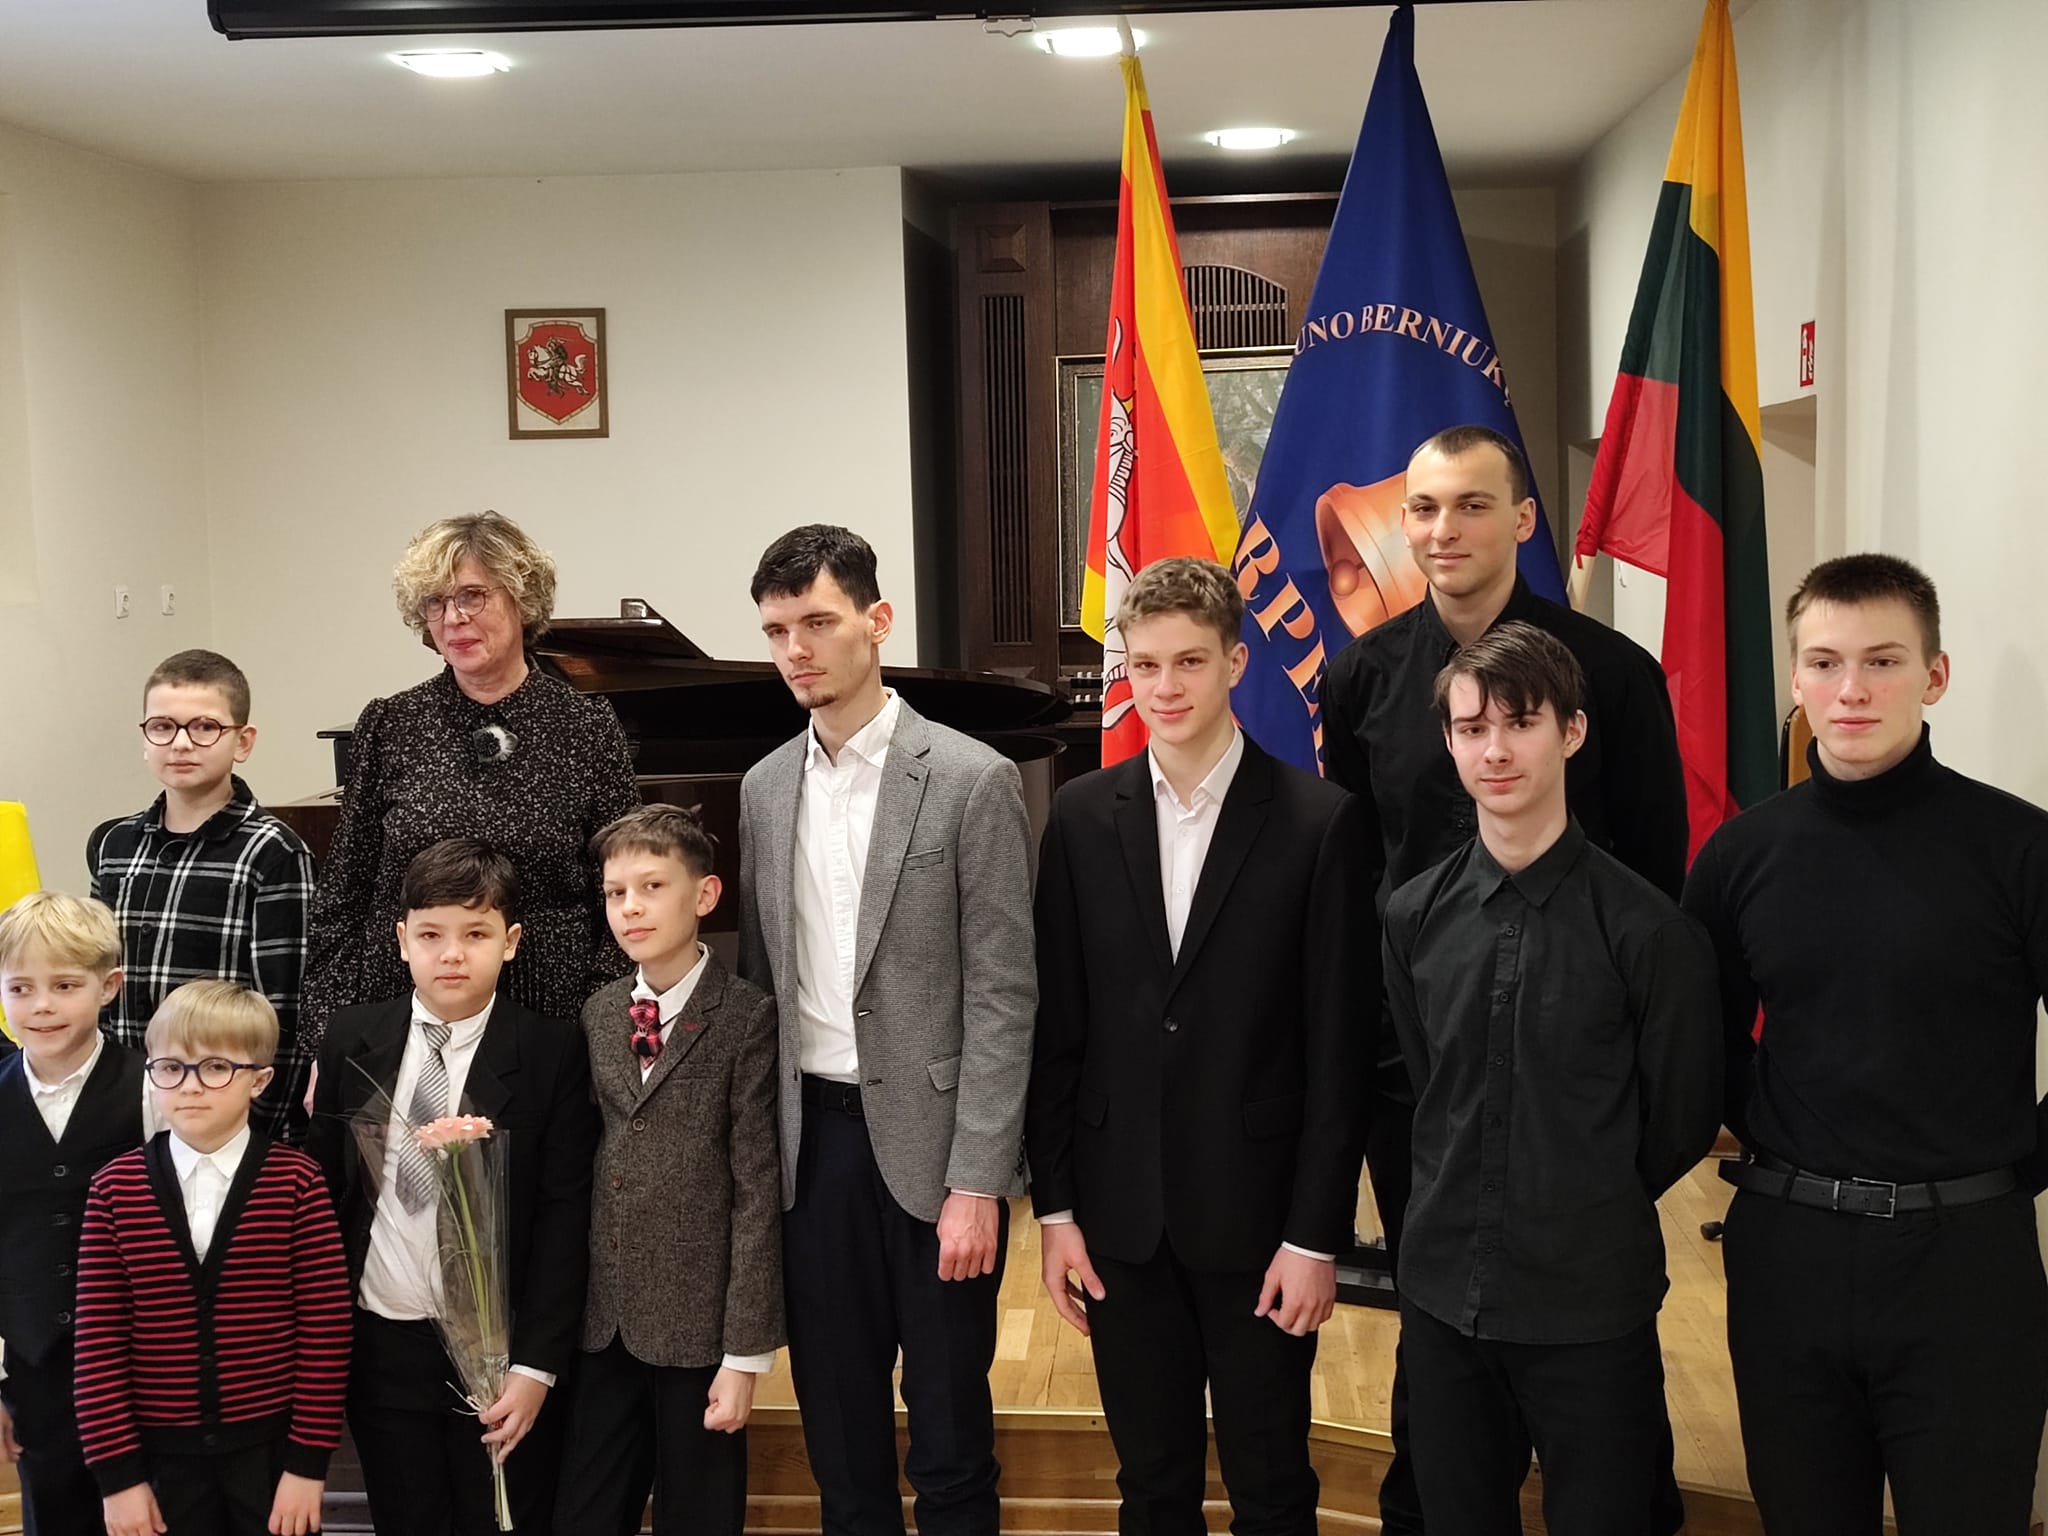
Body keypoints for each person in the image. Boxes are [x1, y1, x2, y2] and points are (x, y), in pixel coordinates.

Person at [1316, 424, 1689, 1535]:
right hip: (1417, 1069)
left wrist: (1601, 1140)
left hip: (1577, 1079)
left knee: (1598, 1394)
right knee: (1437, 1338)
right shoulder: (1361, 675)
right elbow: (1361, 868)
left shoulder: (1612, 677)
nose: (1443, 530)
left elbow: (1654, 871)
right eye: (1424, 508)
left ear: (1522, 519)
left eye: (1472, 505)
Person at [1684, 554, 2048, 1534]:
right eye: (1825, 662)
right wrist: (1774, 1139)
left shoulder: (2020, 849)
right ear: (1795, 679)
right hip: (1788, 1253)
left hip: (1966, 1262)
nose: (1851, 690)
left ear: (1934, 675)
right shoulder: (1739, 856)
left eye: (1882, 662)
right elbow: (1700, 1041)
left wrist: (2014, 1171)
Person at [1027, 557, 1372, 1536]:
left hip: (1259, 1222)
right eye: (1145, 665)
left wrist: (1314, 1237)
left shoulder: (1317, 823)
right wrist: (1056, 1209)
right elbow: (1060, 1032)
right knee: (1151, 1484)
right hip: (1119, 1216)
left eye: (1188, 662)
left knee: (1272, 1484)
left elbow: (1338, 1053)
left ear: (1233, 662)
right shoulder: (1081, 817)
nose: (1165, 687)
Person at [1383, 623, 1719, 1535]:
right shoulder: (1411, 915)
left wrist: (1581, 1191)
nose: (1495, 750)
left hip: (1588, 1304)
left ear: (1571, 732)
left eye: (1520, 723)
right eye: (1472, 728)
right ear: (1449, 741)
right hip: (1445, 1295)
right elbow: (1434, 1081)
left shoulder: (1650, 931)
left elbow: (1681, 1118)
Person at [737, 524, 1035, 1536]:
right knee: (840, 1441)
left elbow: (1004, 993)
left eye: (817, 622)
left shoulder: (968, 778)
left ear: (877, 622)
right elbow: (762, 982)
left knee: (949, 1439)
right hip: (810, 1152)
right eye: (777, 630)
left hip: (935, 1152)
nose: (795, 650)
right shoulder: (763, 788)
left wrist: (979, 1181)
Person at [307, 838, 599, 1536]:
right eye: (431, 935)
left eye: (476, 934)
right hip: (381, 1339)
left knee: (498, 1518)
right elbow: (322, 1197)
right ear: (402, 940)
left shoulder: (551, 1050)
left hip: (498, 1351)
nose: (452, 955)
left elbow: (564, 1219)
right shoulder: (351, 1038)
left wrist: (535, 1367)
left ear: (511, 942)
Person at [301, 510, 640, 1066]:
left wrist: (597, 1033)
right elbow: (345, 895)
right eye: (436, 601)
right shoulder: (390, 724)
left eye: (472, 596)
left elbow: (623, 892)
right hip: (399, 1020)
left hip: (551, 1022)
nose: (453, 618)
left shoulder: (586, 728)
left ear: (522, 600)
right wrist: (328, 1042)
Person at [556, 804, 782, 1536]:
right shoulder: (598, 1013)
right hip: (605, 1321)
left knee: (699, 1514)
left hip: (699, 1326)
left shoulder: (747, 1016)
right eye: (615, 892)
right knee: (586, 1511)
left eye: (652, 887)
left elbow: (756, 1191)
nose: (631, 907)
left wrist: (744, 1355)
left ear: (705, 894)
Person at [72, 980, 352, 1536]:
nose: (191, 1085)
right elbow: (98, 1340)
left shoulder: (297, 1182)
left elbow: (325, 1329)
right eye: (171, 1068)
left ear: (259, 1080)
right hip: (159, 1462)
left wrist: (307, 1465)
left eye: (216, 1067)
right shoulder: (113, 1188)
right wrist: (118, 1478)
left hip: (272, 1456)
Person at [89, 648, 316, 1141]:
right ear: (144, 737)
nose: (181, 743)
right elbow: (97, 981)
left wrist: (260, 1134)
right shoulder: (114, 845)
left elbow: (286, 1010)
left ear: (243, 741)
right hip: (124, 1109)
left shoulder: (273, 852)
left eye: (205, 727)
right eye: (162, 727)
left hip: (224, 1117)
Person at [0, 893, 149, 1536]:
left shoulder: (154, 1088)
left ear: (108, 986)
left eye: (64, 986)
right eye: (20, 987)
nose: (41, 1005)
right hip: (32, 1369)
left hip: (142, 1366)